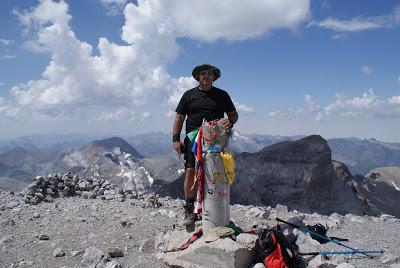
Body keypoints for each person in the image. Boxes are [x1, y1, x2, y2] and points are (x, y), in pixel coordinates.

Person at [172, 64, 238, 226]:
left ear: (214, 77)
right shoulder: (188, 95)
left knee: (214, 173)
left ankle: (213, 208)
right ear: (198, 77)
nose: (207, 76)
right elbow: (179, 118)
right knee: (190, 172)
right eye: (203, 73)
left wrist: (229, 121)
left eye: (210, 73)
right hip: (192, 141)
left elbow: (233, 115)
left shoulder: (222, 95)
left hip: (215, 141)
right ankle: (189, 208)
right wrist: (175, 139)